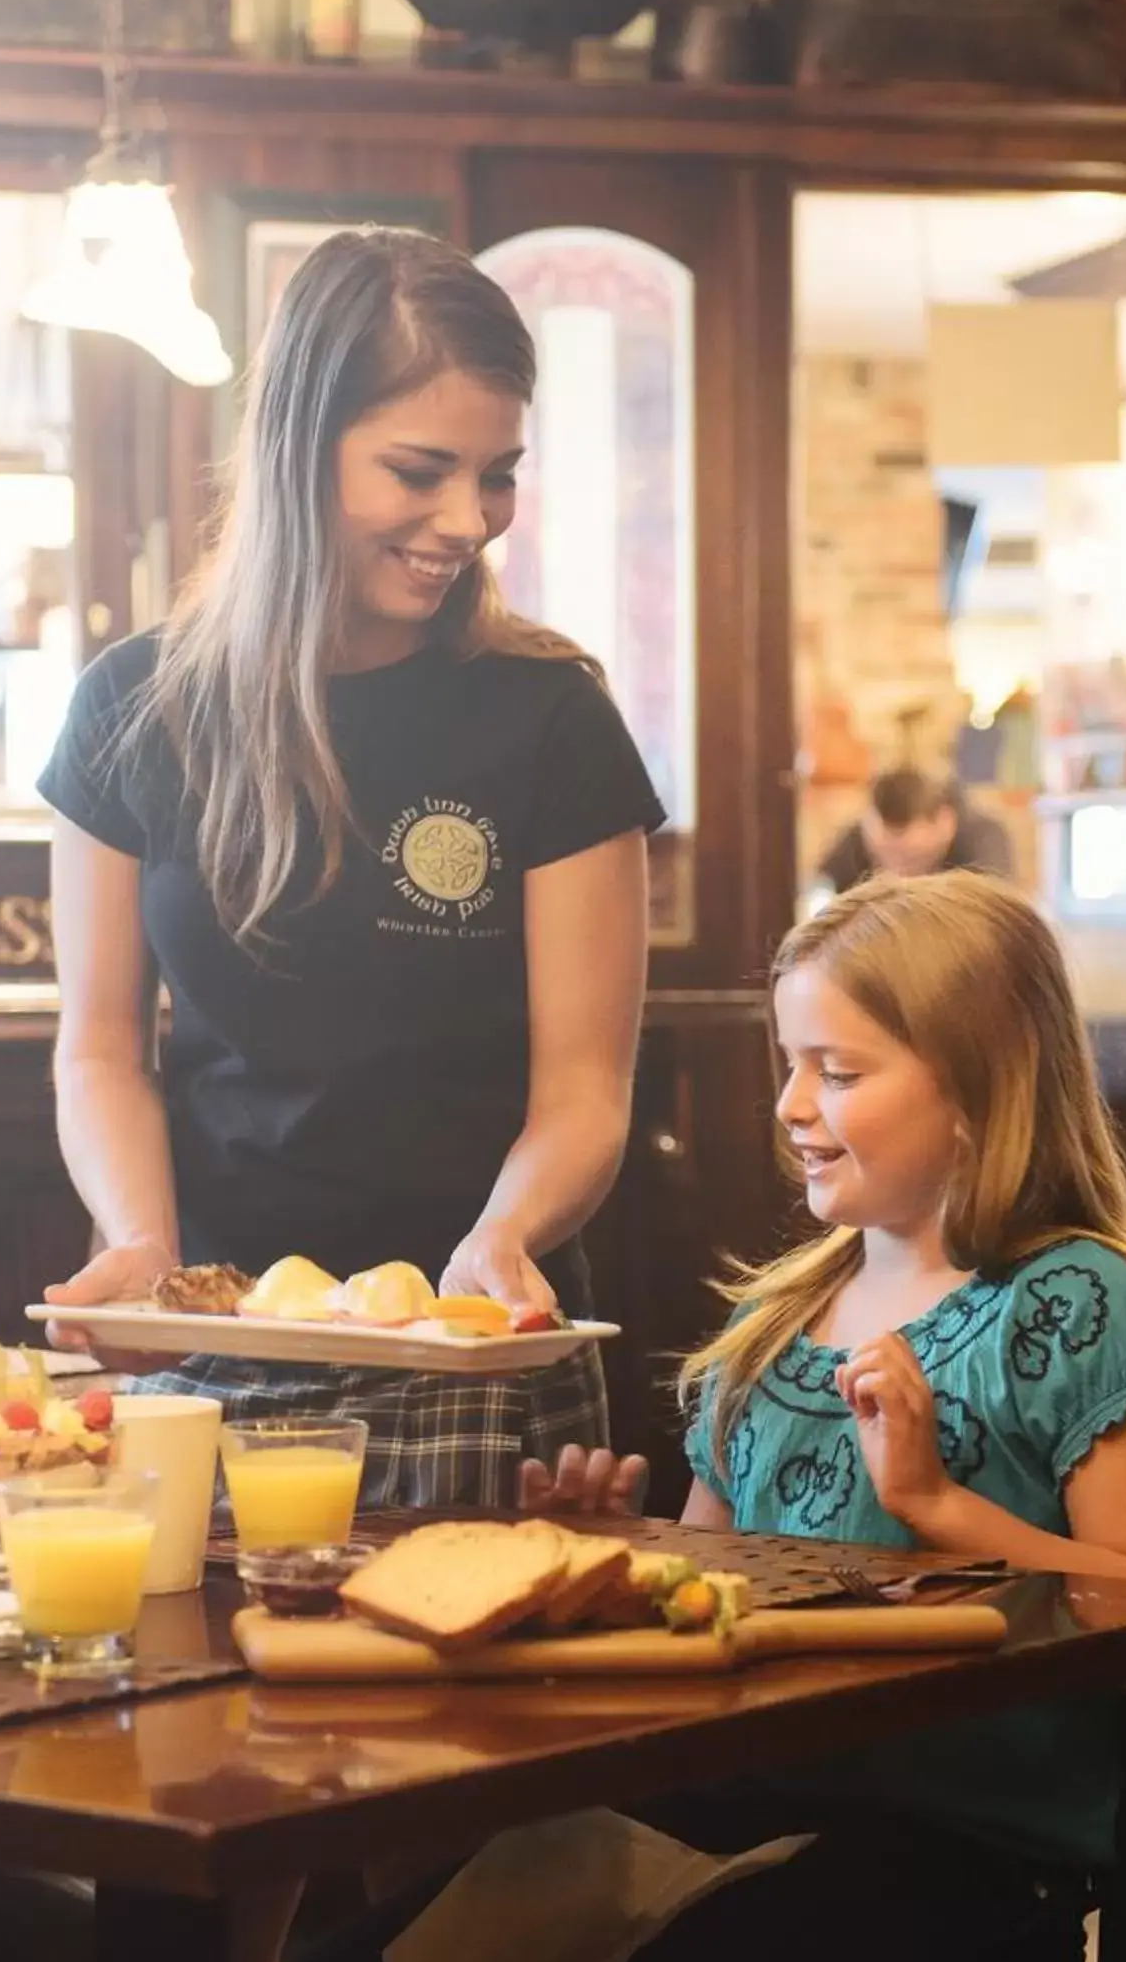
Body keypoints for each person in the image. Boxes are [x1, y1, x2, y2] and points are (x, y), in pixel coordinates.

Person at [315, 873, 1126, 1962]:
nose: (791, 1106)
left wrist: (937, 1505)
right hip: (726, 1815)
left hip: (958, 1860)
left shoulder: (1088, 1307)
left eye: (836, 1072)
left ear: (982, 1088)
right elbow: (715, 1607)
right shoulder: (776, 1318)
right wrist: (618, 1558)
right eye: (790, 1066)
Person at [38, 228, 666, 1509]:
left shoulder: (551, 718)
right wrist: (143, 1247)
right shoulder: (131, 710)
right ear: (296, 448)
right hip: (210, 1347)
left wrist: (505, 1237)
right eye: (420, 471)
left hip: (471, 1349)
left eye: (496, 476)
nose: (467, 522)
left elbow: (586, 1091)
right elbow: (102, 1048)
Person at [813, 762, 1015, 895]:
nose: (897, 872)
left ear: (945, 823)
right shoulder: (858, 839)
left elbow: (995, 918)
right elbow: (821, 890)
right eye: (884, 856)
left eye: (911, 858)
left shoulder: (983, 841)